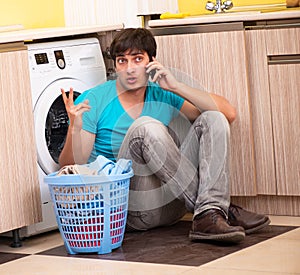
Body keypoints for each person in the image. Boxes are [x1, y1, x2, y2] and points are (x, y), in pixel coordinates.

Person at [59, 28, 270, 244]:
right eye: (122, 61)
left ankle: (210, 210)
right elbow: (69, 167)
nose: (129, 69)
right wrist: (74, 129)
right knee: (146, 127)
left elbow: (228, 114)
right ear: (115, 66)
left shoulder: (161, 93)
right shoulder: (93, 99)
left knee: (212, 118)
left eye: (138, 59)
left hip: (173, 205)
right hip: (128, 210)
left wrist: (177, 87)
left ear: (152, 62)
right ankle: (218, 208)